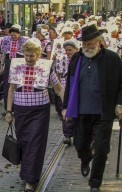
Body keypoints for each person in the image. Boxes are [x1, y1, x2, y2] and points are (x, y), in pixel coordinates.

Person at [62, 24, 122, 192]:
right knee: (80, 144)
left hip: (104, 111)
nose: (87, 47)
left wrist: (119, 104)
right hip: (81, 110)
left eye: (90, 44)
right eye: (84, 44)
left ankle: (95, 183)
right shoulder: (77, 58)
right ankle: (85, 158)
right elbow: (70, 83)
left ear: (99, 42)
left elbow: (121, 84)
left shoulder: (112, 59)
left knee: (102, 148)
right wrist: (66, 106)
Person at [5, 38, 64, 192]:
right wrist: (9, 111)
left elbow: (58, 88)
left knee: (35, 144)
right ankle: (28, 171)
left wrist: (67, 107)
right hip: (21, 111)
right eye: (27, 55)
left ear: (39, 54)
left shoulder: (46, 67)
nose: (29, 58)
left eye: (32, 55)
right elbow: (11, 89)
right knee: (24, 142)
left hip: (40, 112)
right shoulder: (16, 66)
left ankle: (31, 180)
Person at [0, 24, 28, 116]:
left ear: (19, 34)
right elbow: (4, 54)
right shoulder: (6, 40)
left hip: (20, 65)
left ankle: (18, 108)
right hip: (9, 64)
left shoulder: (24, 41)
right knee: (7, 86)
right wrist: (2, 64)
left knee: (19, 86)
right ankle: (7, 108)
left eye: (15, 35)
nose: (13, 37)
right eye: (11, 35)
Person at [55, 40, 78, 145]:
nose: (68, 52)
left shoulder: (79, 59)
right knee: (66, 109)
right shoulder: (62, 58)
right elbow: (58, 74)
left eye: (70, 50)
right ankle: (68, 135)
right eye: (66, 50)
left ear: (75, 49)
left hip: (76, 85)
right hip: (65, 86)